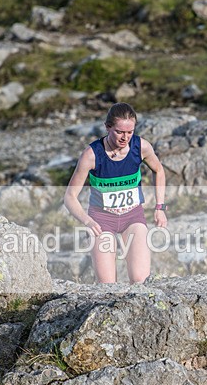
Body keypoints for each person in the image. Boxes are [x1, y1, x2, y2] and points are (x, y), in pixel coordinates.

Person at [64, 102, 167, 284]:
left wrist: (160, 207)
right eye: (119, 132)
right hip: (102, 221)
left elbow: (159, 170)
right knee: (107, 286)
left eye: (129, 132)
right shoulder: (91, 155)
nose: (125, 137)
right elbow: (69, 197)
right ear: (108, 127)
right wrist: (87, 221)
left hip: (133, 218)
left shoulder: (141, 147)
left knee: (141, 282)